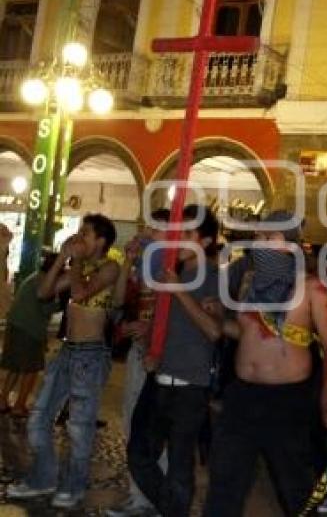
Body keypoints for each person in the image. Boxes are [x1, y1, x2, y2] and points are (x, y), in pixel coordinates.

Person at [204, 210, 327, 517]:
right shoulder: (249, 282)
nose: (261, 244)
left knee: (294, 487)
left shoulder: (312, 288)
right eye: (258, 237)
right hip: (242, 397)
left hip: (287, 402)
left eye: (270, 237)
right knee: (224, 483)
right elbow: (244, 333)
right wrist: (218, 318)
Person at [8, 214, 120, 509]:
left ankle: (74, 486)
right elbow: (44, 292)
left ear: (101, 241)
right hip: (67, 351)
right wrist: (62, 259)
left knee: (79, 427)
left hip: (91, 354)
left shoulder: (110, 268)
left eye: (86, 233)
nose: (80, 237)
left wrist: (76, 260)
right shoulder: (76, 267)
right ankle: (43, 478)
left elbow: (82, 293)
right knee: (38, 417)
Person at [126, 205, 223, 517]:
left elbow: (213, 330)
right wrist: (151, 342)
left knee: (181, 464)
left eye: (187, 234)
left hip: (190, 388)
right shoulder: (173, 274)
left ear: (205, 242)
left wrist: (179, 290)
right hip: (159, 380)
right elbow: (164, 320)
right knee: (139, 453)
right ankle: (171, 508)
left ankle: (173, 510)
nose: (177, 240)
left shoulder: (213, 279)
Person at [106, 208, 171, 516]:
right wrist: (128, 260)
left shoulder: (175, 267)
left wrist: (153, 328)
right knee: (132, 421)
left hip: (164, 356)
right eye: (147, 227)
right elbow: (118, 301)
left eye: (155, 229)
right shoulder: (142, 264)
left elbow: (177, 311)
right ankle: (138, 495)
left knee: (158, 430)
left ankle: (159, 496)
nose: (147, 233)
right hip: (137, 353)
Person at [0, 251, 63, 418]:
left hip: (15, 325)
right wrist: (61, 304)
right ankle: (19, 405)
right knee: (31, 368)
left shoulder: (35, 277)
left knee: (15, 366)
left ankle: (3, 400)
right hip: (30, 330)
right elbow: (46, 307)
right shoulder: (46, 282)